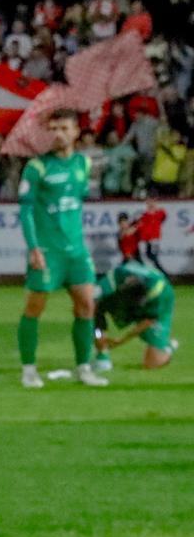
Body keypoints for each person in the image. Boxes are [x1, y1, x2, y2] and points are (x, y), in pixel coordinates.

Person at [15, 108, 105, 389]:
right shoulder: (37, 167)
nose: (58, 134)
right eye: (53, 129)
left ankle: (84, 368)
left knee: (87, 306)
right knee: (35, 306)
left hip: (76, 251)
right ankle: (29, 369)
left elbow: (76, 202)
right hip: (48, 251)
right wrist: (34, 247)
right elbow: (26, 210)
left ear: (76, 132)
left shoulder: (83, 165)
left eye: (64, 128)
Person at [91, 258, 178, 371]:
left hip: (160, 302)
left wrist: (121, 340)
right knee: (93, 310)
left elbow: (148, 319)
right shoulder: (113, 279)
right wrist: (99, 335)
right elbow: (91, 303)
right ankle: (102, 355)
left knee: (151, 364)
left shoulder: (158, 294)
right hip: (124, 294)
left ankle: (167, 346)